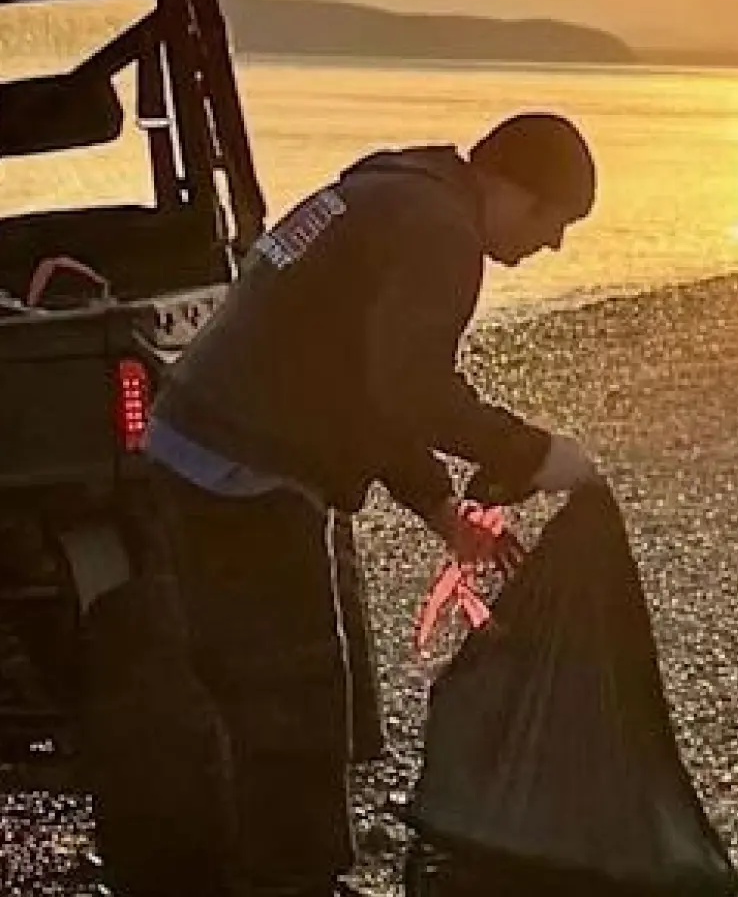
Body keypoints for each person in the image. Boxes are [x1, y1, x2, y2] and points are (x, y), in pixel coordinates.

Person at [140, 112, 604, 897]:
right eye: (551, 219)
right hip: (241, 471)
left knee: (231, 682)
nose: (551, 244)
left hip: (191, 443)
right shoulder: (440, 233)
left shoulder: (392, 192)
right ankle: (291, 884)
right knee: (294, 689)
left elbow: (364, 386)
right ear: (512, 187)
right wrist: (533, 453)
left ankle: (228, 867)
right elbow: (411, 391)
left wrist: (443, 510)